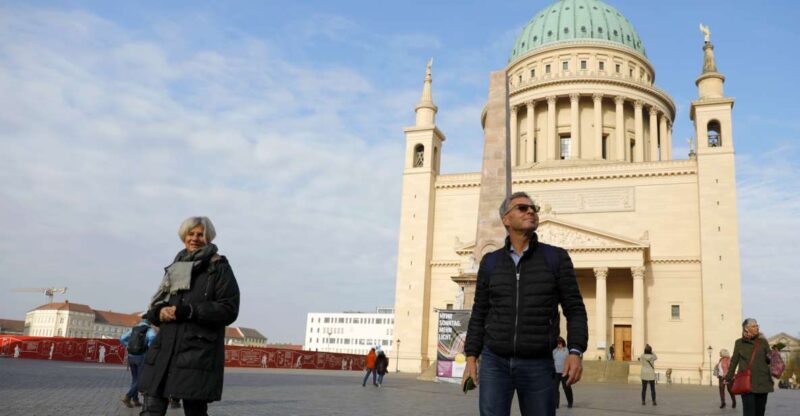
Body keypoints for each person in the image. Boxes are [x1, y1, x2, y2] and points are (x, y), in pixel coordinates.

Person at [462, 191, 588, 416]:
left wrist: (576, 351)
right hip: (494, 361)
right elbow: (479, 313)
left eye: (533, 208)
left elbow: (575, 309)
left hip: (538, 363)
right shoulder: (490, 262)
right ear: (506, 219)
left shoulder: (556, 258)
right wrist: (471, 357)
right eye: (522, 208)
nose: (530, 211)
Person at [138, 216, 240, 416]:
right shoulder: (175, 268)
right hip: (164, 350)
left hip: (197, 353)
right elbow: (156, 303)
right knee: (151, 409)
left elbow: (229, 308)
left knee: (195, 411)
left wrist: (190, 311)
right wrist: (159, 312)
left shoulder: (218, 268)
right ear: (183, 236)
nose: (194, 238)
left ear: (208, 237)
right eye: (190, 234)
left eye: (200, 234)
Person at [725, 318, 773, 416]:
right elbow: (734, 361)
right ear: (746, 328)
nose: (757, 328)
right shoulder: (739, 343)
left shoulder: (763, 342)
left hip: (762, 382)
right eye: (754, 326)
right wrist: (728, 377)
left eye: (757, 326)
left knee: (760, 412)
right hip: (747, 383)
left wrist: (773, 354)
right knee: (749, 413)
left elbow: (769, 359)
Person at [119, 317, 157, 408]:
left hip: (131, 356)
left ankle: (135, 400)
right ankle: (128, 396)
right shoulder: (149, 330)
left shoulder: (134, 328)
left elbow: (122, 338)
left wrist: (127, 346)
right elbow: (152, 338)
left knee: (135, 378)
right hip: (141, 356)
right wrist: (149, 348)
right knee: (140, 379)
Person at [552, 337, 573, 409]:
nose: (559, 344)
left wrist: (570, 371)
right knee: (555, 389)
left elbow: (570, 361)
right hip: (556, 372)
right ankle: (556, 404)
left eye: (560, 342)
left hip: (564, 372)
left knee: (566, 388)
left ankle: (570, 402)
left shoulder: (566, 350)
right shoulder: (554, 351)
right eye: (558, 343)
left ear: (563, 342)